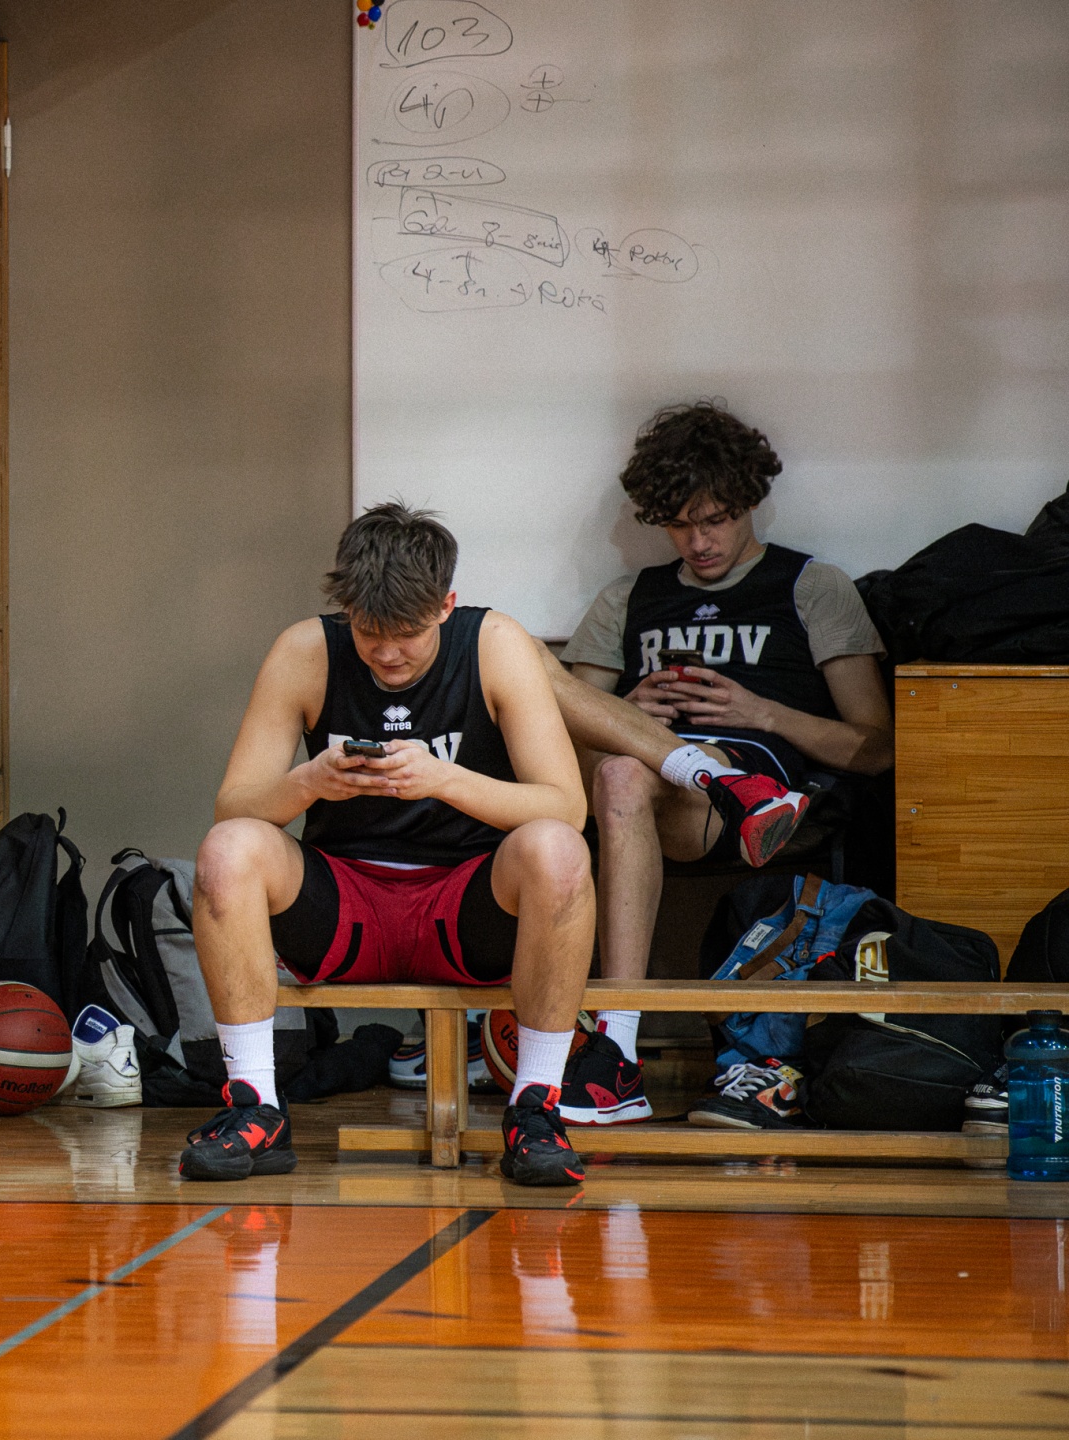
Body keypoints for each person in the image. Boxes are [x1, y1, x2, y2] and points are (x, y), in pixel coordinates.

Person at [180, 502, 596, 1188]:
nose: (388, 653)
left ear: (446, 607)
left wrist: (444, 780)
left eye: (408, 634)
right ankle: (257, 1109)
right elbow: (235, 805)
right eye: (370, 633)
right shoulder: (306, 650)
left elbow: (566, 806)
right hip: (345, 903)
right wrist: (310, 782)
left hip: (466, 903)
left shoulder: (494, 642)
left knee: (557, 850)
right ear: (346, 611)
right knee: (228, 849)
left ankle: (536, 1111)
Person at [542, 402, 892, 1128]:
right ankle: (619, 1045)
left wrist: (761, 711)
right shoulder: (627, 599)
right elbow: (555, 741)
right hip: (644, 793)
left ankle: (616, 1042)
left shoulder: (811, 586)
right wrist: (627, 710)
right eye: (678, 525)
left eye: (715, 521)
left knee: (627, 772)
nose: (698, 542)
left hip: (766, 788)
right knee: (615, 767)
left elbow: (877, 747)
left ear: (749, 503)